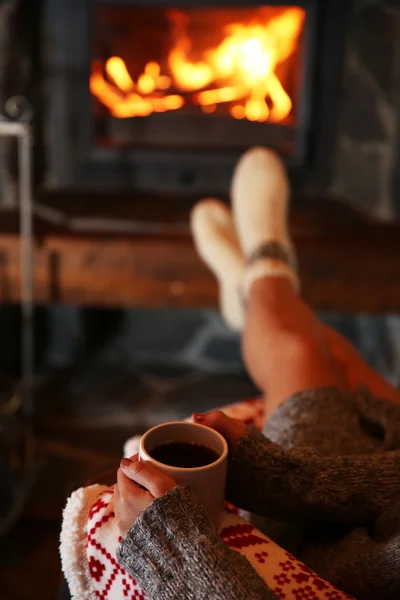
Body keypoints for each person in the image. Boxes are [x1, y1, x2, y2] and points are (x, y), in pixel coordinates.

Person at [114, 148, 400, 600]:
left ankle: (264, 271)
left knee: (297, 348)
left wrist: (168, 544)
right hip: (380, 509)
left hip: (338, 558)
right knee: (336, 354)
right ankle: (256, 286)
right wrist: (282, 479)